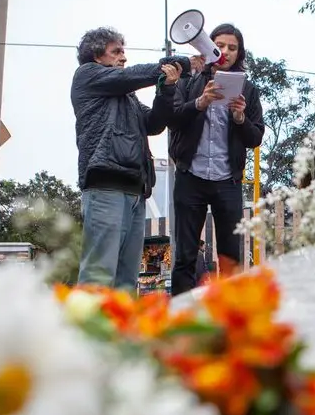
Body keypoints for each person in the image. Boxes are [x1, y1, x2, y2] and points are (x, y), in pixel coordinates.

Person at [71, 26, 195, 290]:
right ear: (96, 56)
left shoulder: (128, 97)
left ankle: (121, 331)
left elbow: (153, 123)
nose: (123, 58)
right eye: (116, 52)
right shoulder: (87, 75)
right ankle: (87, 331)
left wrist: (167, 89)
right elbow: (133, 75)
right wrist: (181, 63)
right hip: (105, 187)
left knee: (127, 280)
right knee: (98, 274)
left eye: (123, 52)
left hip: (135, 190)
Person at [168, 23, 265, 296]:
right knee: (185, 255)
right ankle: (181, 320)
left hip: (228, 180)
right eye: (220, 45)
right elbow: (172, 119)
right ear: (209, 47)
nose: (225, 51)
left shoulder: (248, 88)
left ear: (239, 53)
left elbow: (255, 137)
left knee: (230, 257)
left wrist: (240, 118)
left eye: (232, 48)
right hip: (190, 176)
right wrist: (200, 102)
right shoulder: (190, 81)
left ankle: (228, 318)